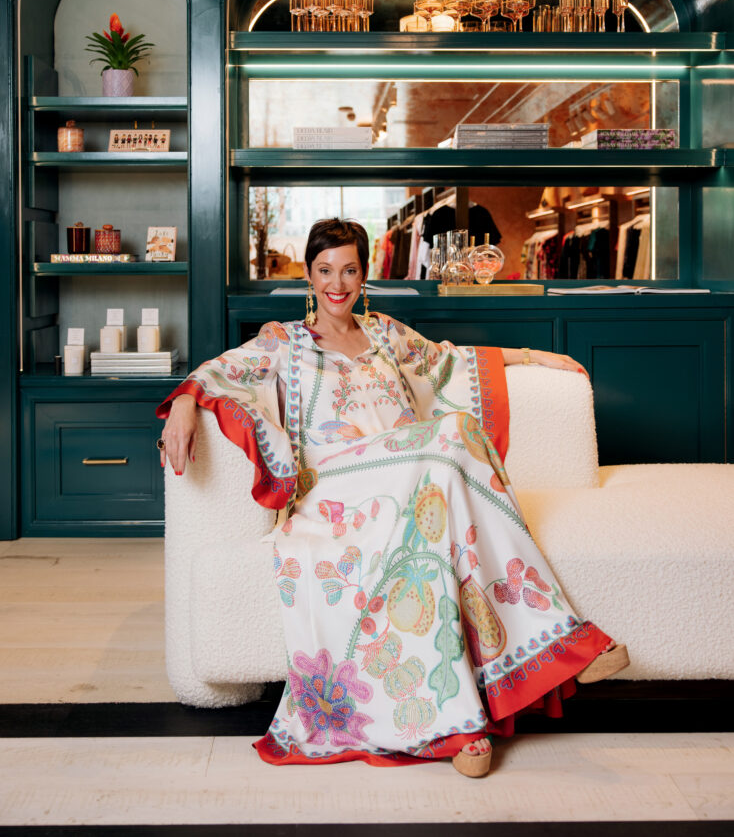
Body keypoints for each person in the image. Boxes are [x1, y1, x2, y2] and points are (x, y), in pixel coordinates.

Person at [158, 217, 628, 778]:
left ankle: (459, 726)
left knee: (439, 524)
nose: (338, 283)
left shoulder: (384, 332)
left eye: (350, 270)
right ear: (309, 275)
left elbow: (451, 361)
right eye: (326, 271)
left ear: (364, 275)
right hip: (337, 496)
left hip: (415, 482)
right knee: (453, 434)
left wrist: (533, 356)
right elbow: (221, 371)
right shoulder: (284, 342)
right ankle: (567, 640)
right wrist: (185, 401)